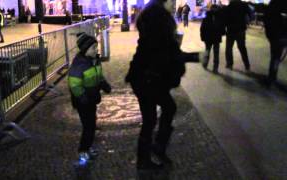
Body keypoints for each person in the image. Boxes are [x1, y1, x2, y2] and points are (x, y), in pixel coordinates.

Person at [125, 0, 199, 170]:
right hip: (148, 80)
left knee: (163, 111)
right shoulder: (159, 25)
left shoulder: (152, 22)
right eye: (169, 2)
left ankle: (155, 149)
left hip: (144, 78)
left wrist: (187, 55)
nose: (172, 5)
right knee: (153, 118)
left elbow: (166, 54)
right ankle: (147, 157)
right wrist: (194, 57)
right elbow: (167, 55)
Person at [68, 32, 111, 165]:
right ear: (85, 50)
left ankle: (88, 147)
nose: (96, 49)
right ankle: (83, 150)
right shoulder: (79, 64)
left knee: (92, 124)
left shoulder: (94, 60)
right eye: (93, 48)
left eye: (96, 47)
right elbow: (74, 84)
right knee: (89, 126)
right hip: (83, 101)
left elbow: (98, 76)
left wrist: (104, 85)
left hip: (91, 98)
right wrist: (82, 97)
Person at [263, 0, 287, 85]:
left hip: (276, 37)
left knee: (275, 58)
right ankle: (273, 76)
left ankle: (271, 78)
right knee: (276, 58)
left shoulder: (271, 8)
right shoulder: (281, 9)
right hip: (281, 37)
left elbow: (267, 22)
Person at [224, 0, 251, 71]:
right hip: (240, 29)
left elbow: (225, 17)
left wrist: (225, 25)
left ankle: (229, 64)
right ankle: (247, 65)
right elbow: (250, 13)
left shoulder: (229, 6)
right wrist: (248, 21)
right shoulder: (244, 5)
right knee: (242, 48)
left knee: (229, 48)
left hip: (231, 29)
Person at [200, 5, 225, 73]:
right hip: (215, 38)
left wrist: (202, 37)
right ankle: (215, 67)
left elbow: (202, 29)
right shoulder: (219, 17)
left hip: (209, 38)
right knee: (215, 53)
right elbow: (222, 28)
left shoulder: (206, 18)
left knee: (208, 51)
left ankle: (206, 64)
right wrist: (222, 33)